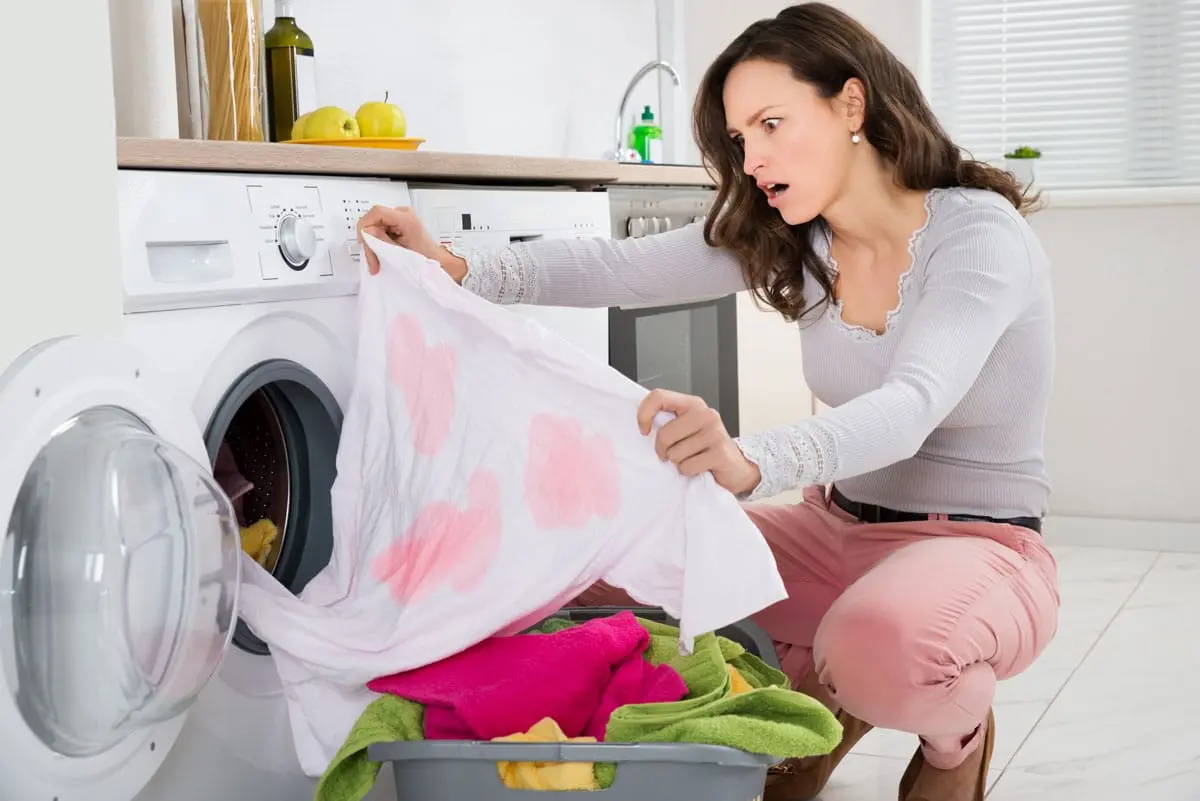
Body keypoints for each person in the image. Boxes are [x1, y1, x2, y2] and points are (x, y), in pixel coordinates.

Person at [357, 3, 1060, 799]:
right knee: (587, 562)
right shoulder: (798, 233)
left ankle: (951, 733)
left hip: (979, 544)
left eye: (771, 124)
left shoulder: (977, 236)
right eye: (739, 139)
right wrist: (457, 265)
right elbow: (621, 268)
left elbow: (911, 404)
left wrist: (749, 459)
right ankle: (821, 684)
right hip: (833, 530)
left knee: (881, 646)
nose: (753, 159)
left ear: (851, 105)